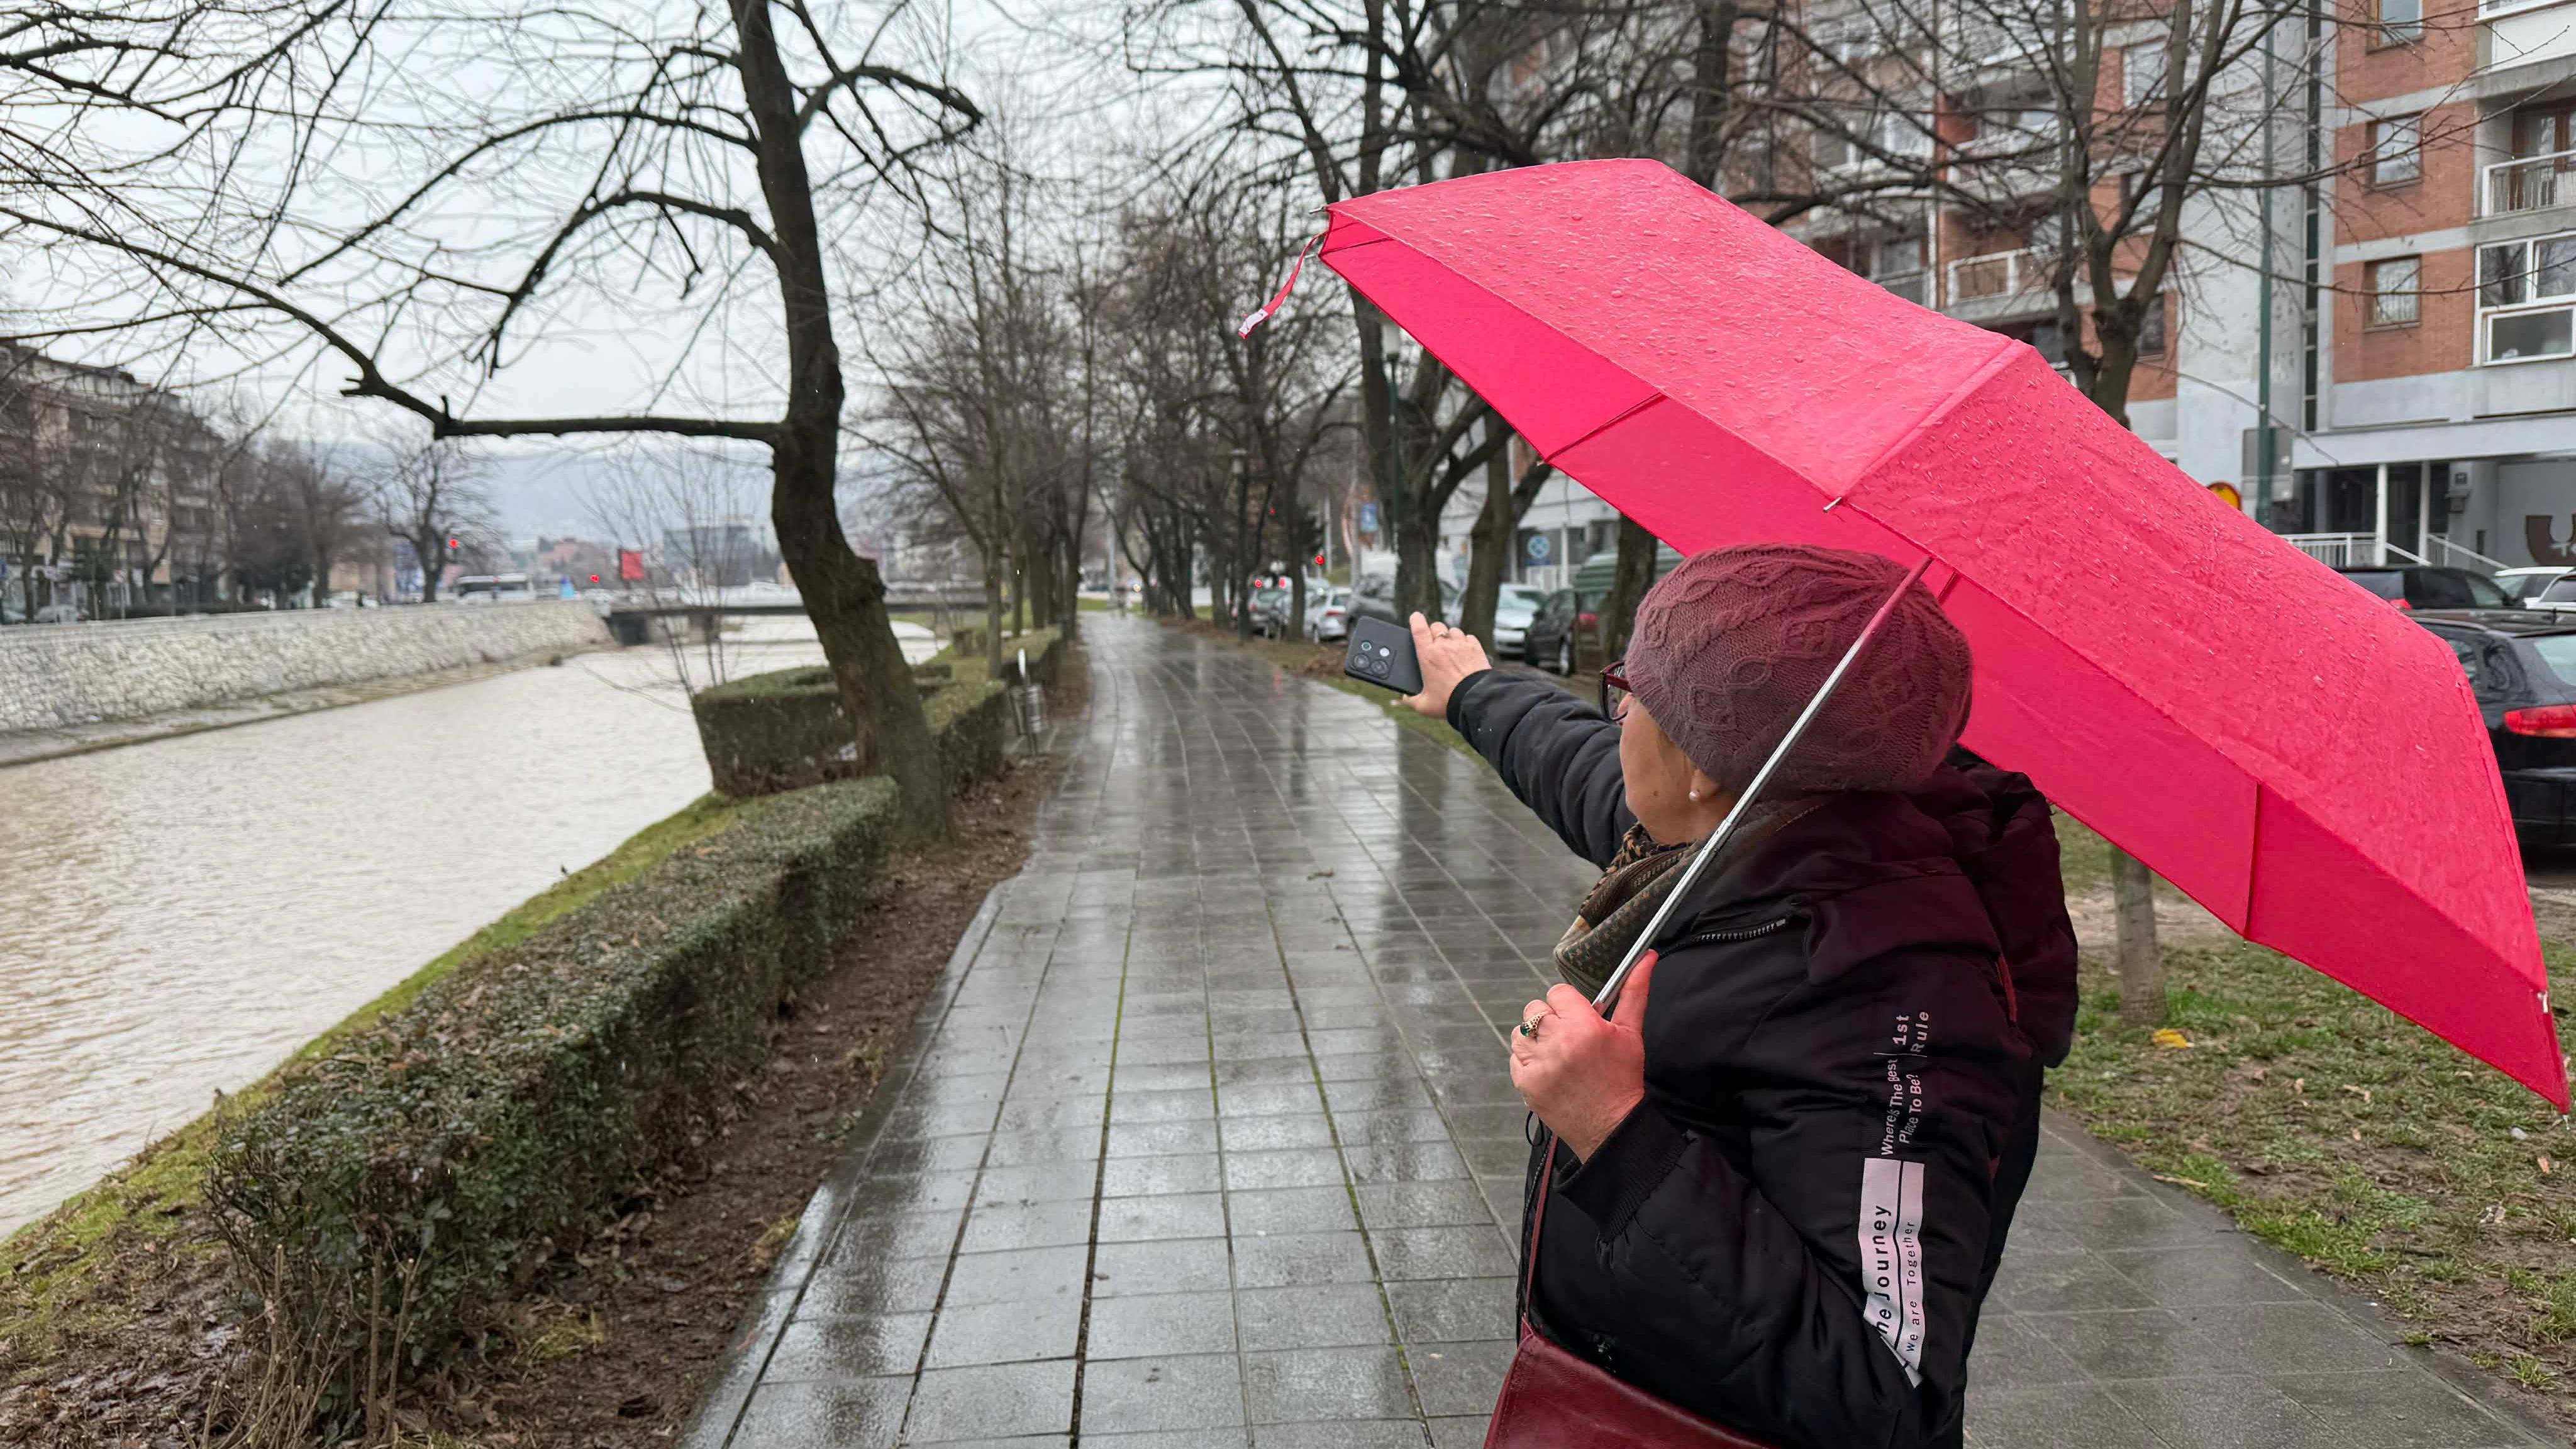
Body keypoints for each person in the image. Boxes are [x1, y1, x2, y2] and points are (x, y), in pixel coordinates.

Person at [1403, 542, 2077, 1449]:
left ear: (1706, 766)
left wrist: (1616, 1133)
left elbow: (1880, 1385)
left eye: (1630, 692)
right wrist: (1472, 690)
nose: (1618, 713)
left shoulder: (1891, 989)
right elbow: (1576, 766)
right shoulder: (1744, 836)